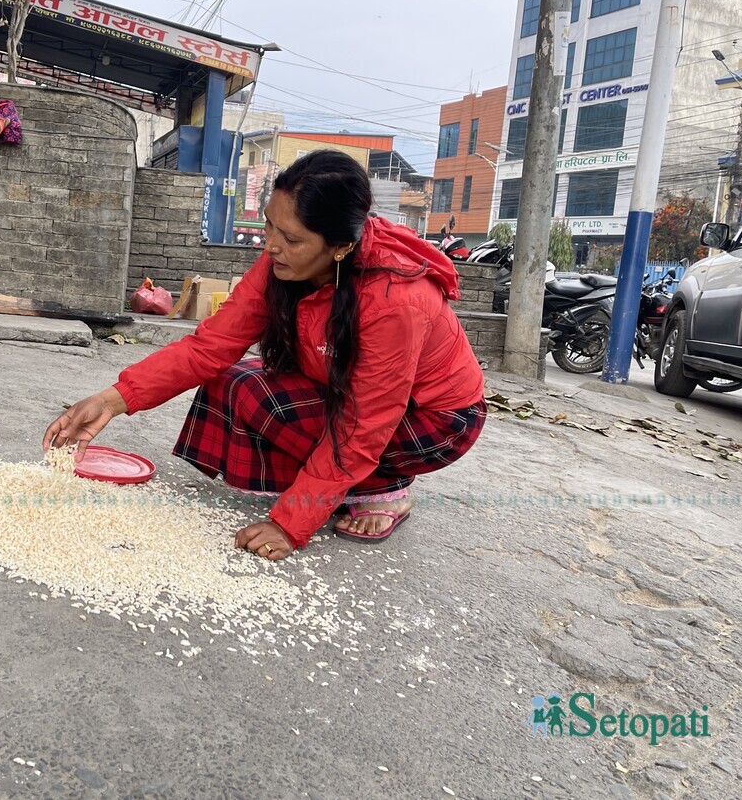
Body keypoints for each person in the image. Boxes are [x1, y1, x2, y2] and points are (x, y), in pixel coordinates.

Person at [44, 150, 486, 561]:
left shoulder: (397, 300)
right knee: (235, 383)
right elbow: (209, 347)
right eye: (270, 225)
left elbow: (362, 427)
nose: (271, 244)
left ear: (340, 247)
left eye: (290, 237)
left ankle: (385, 489)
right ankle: (337, 488)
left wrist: (290, 525)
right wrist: (113, 399)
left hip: (432, 421)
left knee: (312, 426)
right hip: (346, 391)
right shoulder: (283, 260)